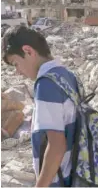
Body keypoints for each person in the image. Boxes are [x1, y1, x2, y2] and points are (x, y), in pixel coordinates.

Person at [2, 26, 77, 187]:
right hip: (79, 173)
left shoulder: (46, 84)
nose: (18, 72)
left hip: (63, 180)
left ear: (28, 51)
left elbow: (56, 146)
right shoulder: (67, 75)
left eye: (16, 63)